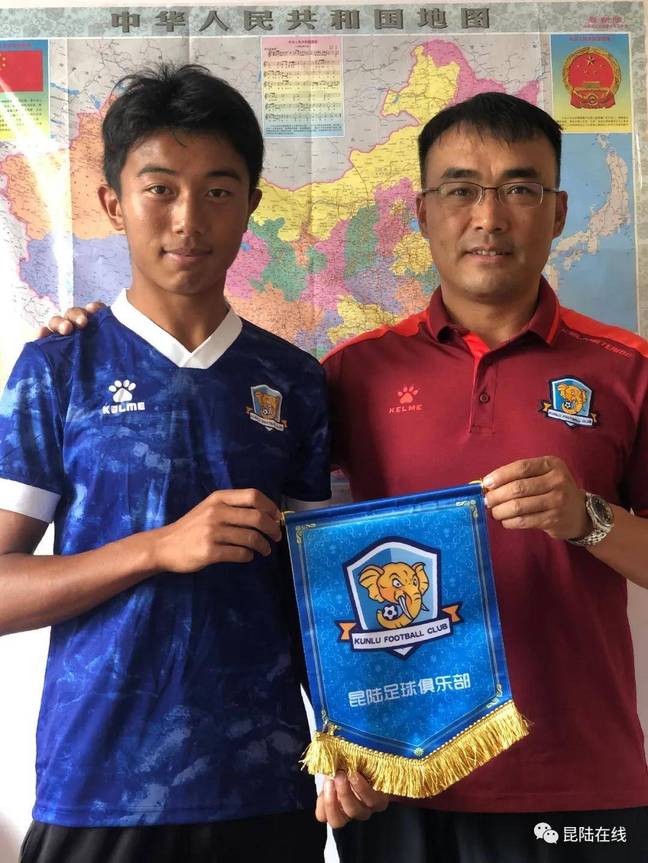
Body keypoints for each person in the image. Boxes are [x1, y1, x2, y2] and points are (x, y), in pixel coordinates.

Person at [0, 64, 385, 863]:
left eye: (217, 190)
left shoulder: (293, 380)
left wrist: (355, 731)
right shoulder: (58, 369)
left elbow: (317, 590)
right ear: (113, 202)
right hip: (98, 785)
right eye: (160, 189)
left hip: (264, 785)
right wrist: (156, 547)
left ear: (251, 204)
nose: (188, 219)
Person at [323, 92, 648, 861]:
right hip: (399, 778)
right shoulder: (349, 376)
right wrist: (333, 737)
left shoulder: (629, 370)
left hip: (581, 783)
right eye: (461, 189)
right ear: (422, 212)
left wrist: (589, 519)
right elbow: (306, 566)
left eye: (520, 188)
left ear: (559, 211)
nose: (490, 217)